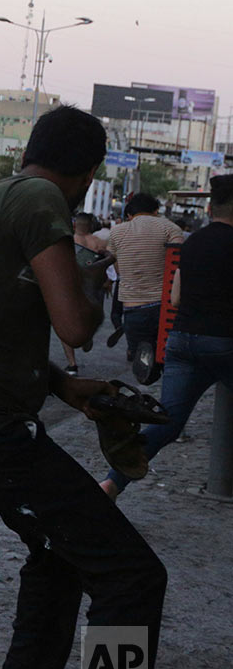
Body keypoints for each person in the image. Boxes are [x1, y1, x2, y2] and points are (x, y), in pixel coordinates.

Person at [0, 106, 165, 669]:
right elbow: (77, 326)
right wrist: (95, 276)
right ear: (89, 172)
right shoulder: (40, 202)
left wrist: (63, 385)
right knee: (131, 577)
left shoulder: (0, 195)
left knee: (59, 565)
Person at [102, 175, 233, 498]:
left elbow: (175, 299)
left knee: (167, 423)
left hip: (182, 342)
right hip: (224, 343)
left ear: (211, 206)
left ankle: (110, 483)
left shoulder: (191, 243)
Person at [107, 192, 183, 366]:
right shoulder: (171, 228)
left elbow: (117, 268)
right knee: (167, 359)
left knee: (141, 362)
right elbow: (177, 263)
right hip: (165, 306)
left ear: (130, 213)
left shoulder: (117, 231)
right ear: (156, 210)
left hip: (133, 308)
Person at [59, 213, 109, 374]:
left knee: (63, 323)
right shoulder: (98, 242)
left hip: (72, 285)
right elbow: (108, 262)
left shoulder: (68, 242)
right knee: (89, 315)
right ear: (90, 225)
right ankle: (87, 335)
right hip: (93, 286)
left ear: (75, 225)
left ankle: (72, 363)